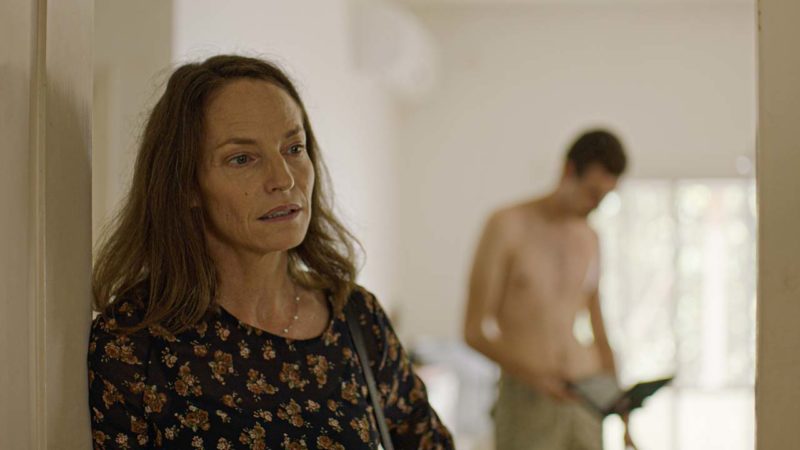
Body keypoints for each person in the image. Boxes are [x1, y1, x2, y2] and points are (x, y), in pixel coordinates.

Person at [88, 54, 453, 450]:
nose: (283, 179)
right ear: (186, 185)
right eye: (242, 158)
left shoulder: (355, 317)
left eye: (294, 148)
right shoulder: (134, 344)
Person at [463, 130, 632, 450]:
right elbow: (474, 331)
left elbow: (599, 329)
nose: (596, 205)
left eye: (605, 197)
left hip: (585, 396)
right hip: (527, 397)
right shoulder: (506, 225)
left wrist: (623, 411)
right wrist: (536, 377)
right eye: (592, 192)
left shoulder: (591, 238)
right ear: (569, 171)